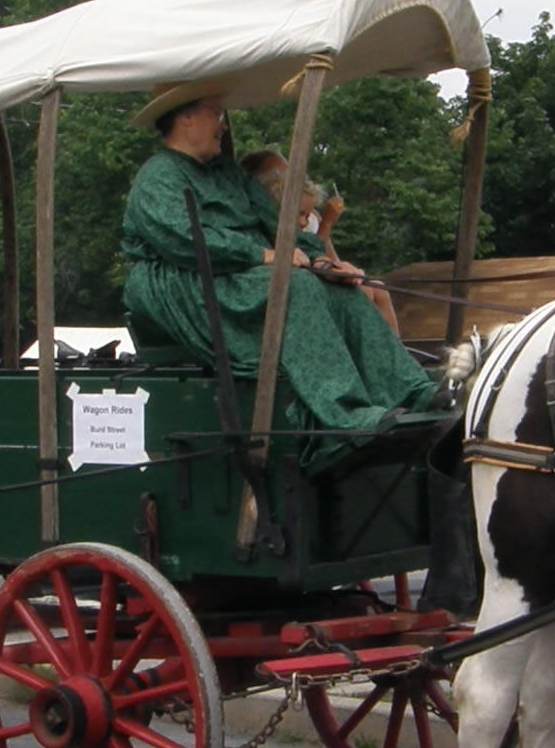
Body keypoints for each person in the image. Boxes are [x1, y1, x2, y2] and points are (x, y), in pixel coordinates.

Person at [122, 84, 437, 470]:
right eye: (216, 114)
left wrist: (324, 262)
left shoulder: (227, 174)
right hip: (182, 283)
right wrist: (262, 255)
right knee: (295, 287)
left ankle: (415, 391)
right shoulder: (158, 176)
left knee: (345, 290)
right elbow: (183, 241)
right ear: (185, 117)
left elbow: (277, 224)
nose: (223, 126)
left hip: (237, 275)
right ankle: (344, 417)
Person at [239, 149, 400, 335]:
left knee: (377, 288)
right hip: (298, 280)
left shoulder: (309, 216)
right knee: (364, 293)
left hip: (318, 271)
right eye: (282, 178)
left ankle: (397, 355)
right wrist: (327, 225)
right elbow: (304, 254)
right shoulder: (264, 219)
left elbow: (323, 254)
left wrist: (341, 268)